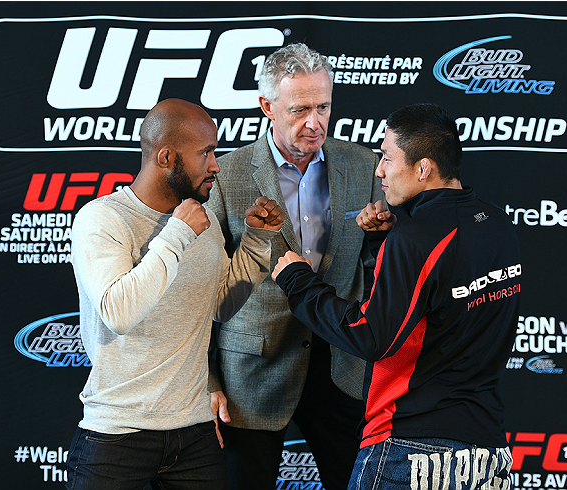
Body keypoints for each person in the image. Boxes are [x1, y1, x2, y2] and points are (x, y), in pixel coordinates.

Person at [272, 103, 521, 489]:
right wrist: (381, 243)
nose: (379, 170)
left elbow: (370, 335)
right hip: (487, 450)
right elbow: (441, 303)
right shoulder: (497, 224)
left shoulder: (414, 239)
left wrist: (298, 281)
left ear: (423, 168)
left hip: (411, 446)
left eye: (387, 158)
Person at [65, 98, 285, 490]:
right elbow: (118, 312)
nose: (216, 165)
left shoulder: (203, 223)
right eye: (206, 153)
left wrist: (256, 240)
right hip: (118, 431)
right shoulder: (103, 218)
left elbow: (219, 306)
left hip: (193, 432)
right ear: (166, 156)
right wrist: (177, 235)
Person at [205, 43, 383, 490]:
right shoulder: (226, 176)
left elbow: (376, 269)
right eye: (300, 109)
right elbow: (202, 288)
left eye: (323, 106)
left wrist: (380, 238)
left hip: (342, 367)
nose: (315, 122)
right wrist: (207, 379)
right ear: (267, 106)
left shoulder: (365, 167)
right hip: (251, 374)